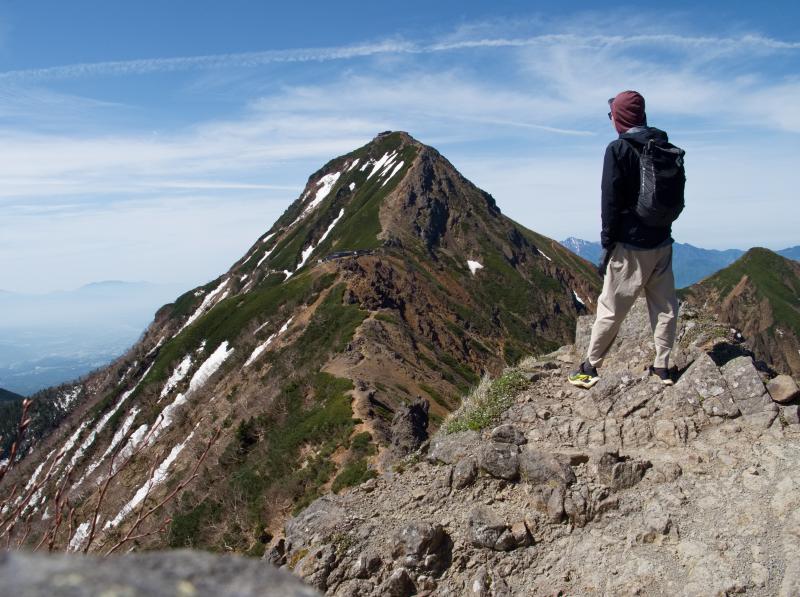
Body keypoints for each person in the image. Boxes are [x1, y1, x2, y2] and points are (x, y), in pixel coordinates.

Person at [568, 90, 679, 388]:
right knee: (665, 307)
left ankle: (590, 367)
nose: (611, 120)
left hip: (631, 245)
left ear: (620, 117)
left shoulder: (618, 149)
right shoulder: (662, 145)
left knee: (611, 309)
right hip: (663, 241)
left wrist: (608, 243)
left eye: (612, 115)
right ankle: (662, 367)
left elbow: (610, 201)